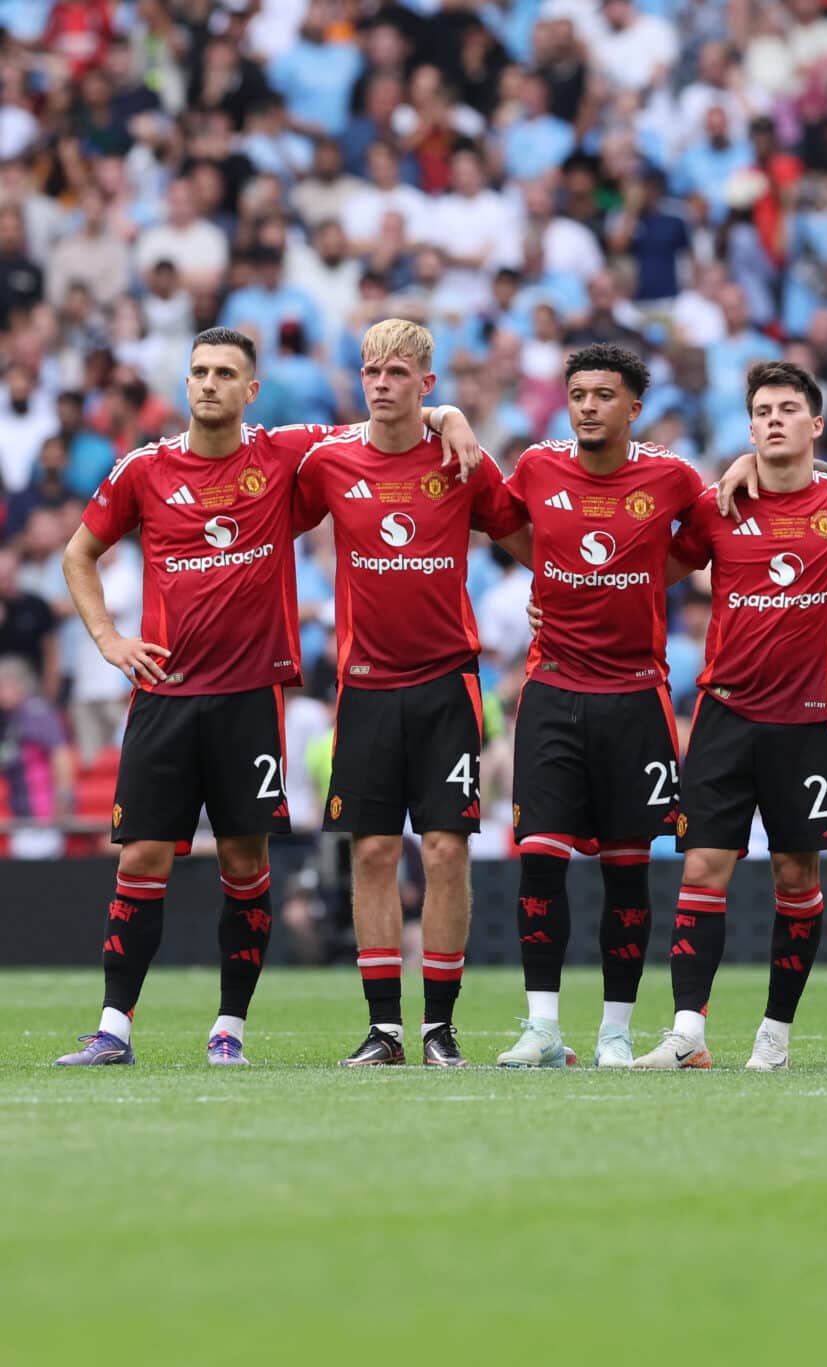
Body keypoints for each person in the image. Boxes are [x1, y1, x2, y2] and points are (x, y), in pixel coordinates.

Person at [54, 327, 477, 1066]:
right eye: (199, 371)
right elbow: (78, 553)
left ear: (251, 390)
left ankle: (230, 1030)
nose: (208, 383)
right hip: (165, 694)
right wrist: (108, 639)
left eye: (225, 373)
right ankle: (113, 1028)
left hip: (251, 696)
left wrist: (451, 416)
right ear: (185, 383)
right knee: (141, 856)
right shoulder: (143, 469)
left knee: (245, 859)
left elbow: (390, 418)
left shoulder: (289, 453)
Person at [635, 361, 827, 1072]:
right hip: (724, 715)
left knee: (795, 874)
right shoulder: (718, 506)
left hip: (807, 721)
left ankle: (775, 1036)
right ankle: (687, 1032)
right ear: (750, 427)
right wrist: (561, 603)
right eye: (762, 411)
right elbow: (648, 575)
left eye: (788, 409)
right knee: (703, 867)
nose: (774, 419)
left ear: (815, 425)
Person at [294, 319, 524, 1067]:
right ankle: (385, 1029)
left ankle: (440, 1029)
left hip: (446, 683)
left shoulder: (462, 459)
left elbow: (519, 535)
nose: (381, 384)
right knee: (371, 852)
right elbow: (265, 510)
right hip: (365, 686)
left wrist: (560, 596)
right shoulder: (329, 459)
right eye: (371, 371)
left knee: (447, 850)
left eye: (397, 373)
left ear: (426, 383)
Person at [496, 342, 707, 1069]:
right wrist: (548, 575)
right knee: (539, 858)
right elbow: (501, 522)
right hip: (553, 688)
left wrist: (644, 576)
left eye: (603, 395)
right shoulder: (536, 466)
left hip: (636, 697)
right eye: (578, 394)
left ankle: (615, 1032)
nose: (588, 407)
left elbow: (704, 541)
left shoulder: (671, 475)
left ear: (633, 407)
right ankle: (542, 1028)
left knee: (627, 869)